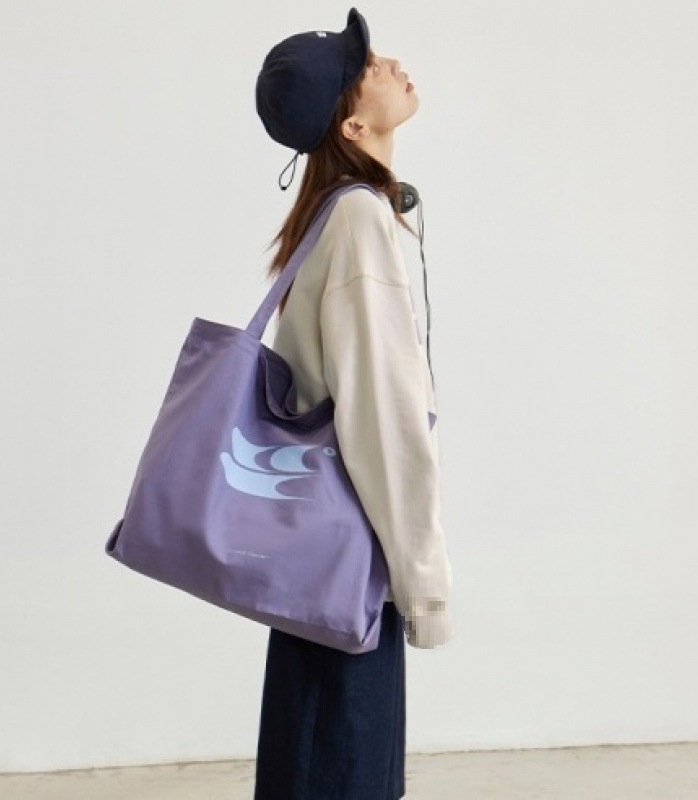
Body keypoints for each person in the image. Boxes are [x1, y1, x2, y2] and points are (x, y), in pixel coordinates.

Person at [252, 8, 454, 799]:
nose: (391, 63)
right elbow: (382, 422)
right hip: (349, 568)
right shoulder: (359, 221)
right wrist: (424, 583)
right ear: (352, 122)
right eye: (367, 66)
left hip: (320, 564)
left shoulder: (336, 215)